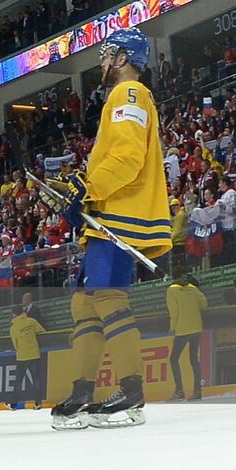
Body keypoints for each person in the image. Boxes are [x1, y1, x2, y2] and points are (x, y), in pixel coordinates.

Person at [51, 27, 170, 429]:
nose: (102, 62)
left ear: (122, 58)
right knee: (85, 303)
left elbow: (128, 155)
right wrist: (84, 197)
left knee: (106, 298)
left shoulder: (128, 94)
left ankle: (131, 392)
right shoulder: (121, 98)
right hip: (108, 216)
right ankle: (84, 390)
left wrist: (91, 188)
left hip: (121, 216)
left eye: (107, 55)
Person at [166, 272, 207, 401]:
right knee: (194, 359)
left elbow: (174, 311)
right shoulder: (193, 288)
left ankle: (179, 391)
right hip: (196, 327)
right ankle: (197, 391)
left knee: (174, 359)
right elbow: (204, 304)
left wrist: (172, 327)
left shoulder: (171, 290)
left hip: (182, 329)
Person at [10, 306, 45, 410]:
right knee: (36, 380)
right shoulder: (31, 321)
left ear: (14, 314)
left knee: (19, 381)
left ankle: (13, 404)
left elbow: (15, 344)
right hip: (34, 354)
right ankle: (38, 403)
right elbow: (42, 332)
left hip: (22, 356)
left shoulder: (13, 327)